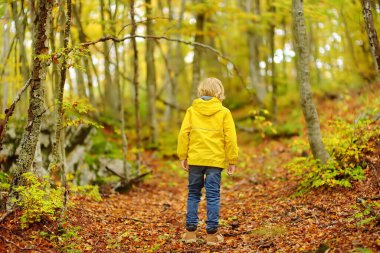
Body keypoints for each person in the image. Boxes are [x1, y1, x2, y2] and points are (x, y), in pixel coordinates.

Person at [177, 77, 239, 245]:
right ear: (219, 92)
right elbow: (231, 139)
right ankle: (211, 236)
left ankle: (190, 234)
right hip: (214, 162)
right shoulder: (224, 112)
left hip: (196, 160)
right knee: (212, 196)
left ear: (201, 91)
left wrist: (183, 155)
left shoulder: (192, 110)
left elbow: (184, 134)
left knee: (193, 194)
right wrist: (232, 160)